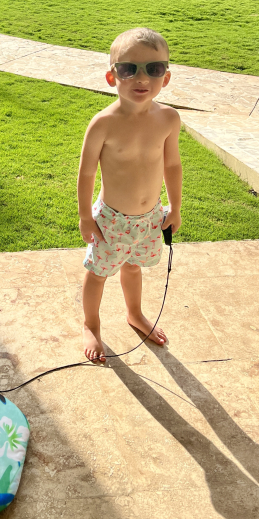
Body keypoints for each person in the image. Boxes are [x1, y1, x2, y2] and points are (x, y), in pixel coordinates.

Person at [78, 28, 183, 361]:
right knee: (98, 274)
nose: (142, 78)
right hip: (111, 219)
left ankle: (134, 313)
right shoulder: (103, 124)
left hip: (151, 217)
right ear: (113, 76)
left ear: (165, 78)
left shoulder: (168, 118)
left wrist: (175, 208)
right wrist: (84, 216)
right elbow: (86, 172)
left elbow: (172, 166)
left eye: (153, 68)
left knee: (134, 268)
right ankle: (91, 325)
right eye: (129, 69)